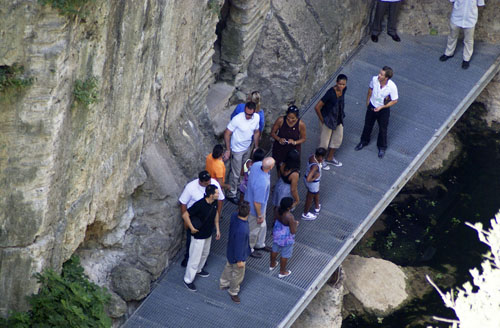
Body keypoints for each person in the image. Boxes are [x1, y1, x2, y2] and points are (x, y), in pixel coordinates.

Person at [178, 171, 225, 267]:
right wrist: (186, 222)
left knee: (206, 241)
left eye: (209, 181)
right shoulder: (190, 187)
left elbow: (220, 200)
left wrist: (218, 215)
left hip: (208, 219)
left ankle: (201, 260)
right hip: (195, 219)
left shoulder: (214, 184)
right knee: (190, 241)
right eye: (206, 182)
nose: (208, 184)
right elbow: (183, 203)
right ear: (200, 181)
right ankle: (188, 258)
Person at [182, 185, 221, 292]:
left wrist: (217, 228)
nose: (218, 194)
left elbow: (216, 214)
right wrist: (192, 228)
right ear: (211, 195)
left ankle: (199, 270)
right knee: (194, 258)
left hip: (208, 234)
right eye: (217, 193)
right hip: (198, 236)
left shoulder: (214, 203)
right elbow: (185, 215)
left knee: (204, 254)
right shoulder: (200, 204)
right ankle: (188, 279)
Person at [354, 66, 399, 159]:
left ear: (386, 78)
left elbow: (395, 100)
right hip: (372, 105)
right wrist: (367, 101)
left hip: (383, 109)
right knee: (367, 125)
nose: (379, 75)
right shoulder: (374, 79)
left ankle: (382, 147)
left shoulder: (392, 87)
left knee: (383, 128)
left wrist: (383, 106)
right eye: (379, 73)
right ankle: (364, 141)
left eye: (381, 74)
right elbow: (370, 89)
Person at [223, 102, 261, 205]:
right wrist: (228, 149)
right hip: (236, 149)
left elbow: (256, 132)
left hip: (247, 147)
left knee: (243, 170)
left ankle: (239, 186)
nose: (248, 116)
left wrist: (256, 147)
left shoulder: (256, 117)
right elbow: (227, 133)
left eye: (250, 114)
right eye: (246, 113)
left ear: (254, 112)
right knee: (235, 172)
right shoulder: (238, 119)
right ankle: (231, 193)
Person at [219, 201, 252, 304]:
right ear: (248, 213)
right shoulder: (243, 229)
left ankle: (224, 283)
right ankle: (233, 291)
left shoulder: (234, 216)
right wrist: (240, 260)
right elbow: (239, 245)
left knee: (228, 267)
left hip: (230, 250)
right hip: (239, 255)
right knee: (237, 275)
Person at [439, 0, 485, 69]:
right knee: (452, 36)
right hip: (456, 17)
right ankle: (448, 53)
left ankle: (466, 59)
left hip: (470, 19)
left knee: (469, 40)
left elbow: (480, 4)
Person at [314, 74, 348, 169]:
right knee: (324, 142)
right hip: (327, 119)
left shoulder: (344, 90)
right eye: (340, 84)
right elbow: (317, 107)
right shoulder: (330, 93)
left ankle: (330, 158)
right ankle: (320, 160)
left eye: (343, 84)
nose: (341, 86)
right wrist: (323, 120)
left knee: (337, 139)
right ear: (336, 83)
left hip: (338, 118)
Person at [244, 157, 275, 258]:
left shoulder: (256, 165)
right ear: (270, 167)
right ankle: (250, 248)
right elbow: (257, 203)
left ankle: (260, 244)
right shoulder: (262, 182)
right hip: (255, 210)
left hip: (251, 201)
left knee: (262, 226)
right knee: (254, 229)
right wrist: (259, 215)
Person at [270, 105, 307, 175]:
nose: (290, 120)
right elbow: (272, 133)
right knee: (279, 167)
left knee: (291, 169)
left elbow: (303, 138)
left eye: (293, 118)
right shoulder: (280, 120)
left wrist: (295, 142)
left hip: (292, 151)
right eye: (288, 118)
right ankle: (280, 180)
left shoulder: (301, 124)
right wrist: (279, 139)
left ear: (297, 117)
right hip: (280, 149)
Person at [270, 197, 299, 278]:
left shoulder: (277, 209)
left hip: (277, 231)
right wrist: (295, 224)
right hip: (286, 237)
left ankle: (272, 264)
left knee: (275, 248)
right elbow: (293, 231)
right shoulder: (289, 216)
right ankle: (282, 272)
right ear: (288, 207)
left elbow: (275, 218)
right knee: (285, 254)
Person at [271, 150, 300, 216]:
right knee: (283, 209)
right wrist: (297, 200)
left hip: (280, 184)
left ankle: (275, 219)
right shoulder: (295, 174)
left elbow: (279, 175)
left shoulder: (282, 164)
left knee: (277, 206)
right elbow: (293, 189)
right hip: (286, 190)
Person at [302, 147, 327, 221]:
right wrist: (315, 177)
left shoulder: (312, 156)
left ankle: (317, 207)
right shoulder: (315, 166)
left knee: (316, 192)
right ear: (320, 156)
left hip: (308, 180)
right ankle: (305, 214)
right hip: (312, 183)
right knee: (309, 198)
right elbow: (308, 179)